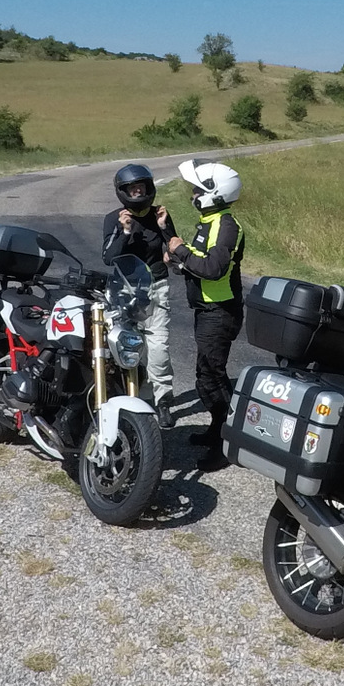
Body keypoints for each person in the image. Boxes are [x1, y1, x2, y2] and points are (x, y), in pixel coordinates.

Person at [165, 159, 244, 470]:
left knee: (211, 379)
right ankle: (217, 431)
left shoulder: (227, 227)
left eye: (198, 188)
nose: (193, 193)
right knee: (207, 376)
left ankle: (228, 445)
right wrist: (176, 252)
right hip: (206, 309)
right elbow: (196, 262)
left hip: (220, 311)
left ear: (215, 193)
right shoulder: (209, 223)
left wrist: (181, 250)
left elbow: (213, 268)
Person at [102, 163, 177, 429]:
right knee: (125, 345)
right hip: (124, 290)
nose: (137, 192)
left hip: (157, 288)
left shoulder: (160, 215)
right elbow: (108, 257)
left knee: (158, 348)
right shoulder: (115, 218)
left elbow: (173, 250)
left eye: (141, 187)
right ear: (123, 192)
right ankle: (128, 396)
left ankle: (163, 400)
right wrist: (123, 231)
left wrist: (164, 227)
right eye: (132, 189)